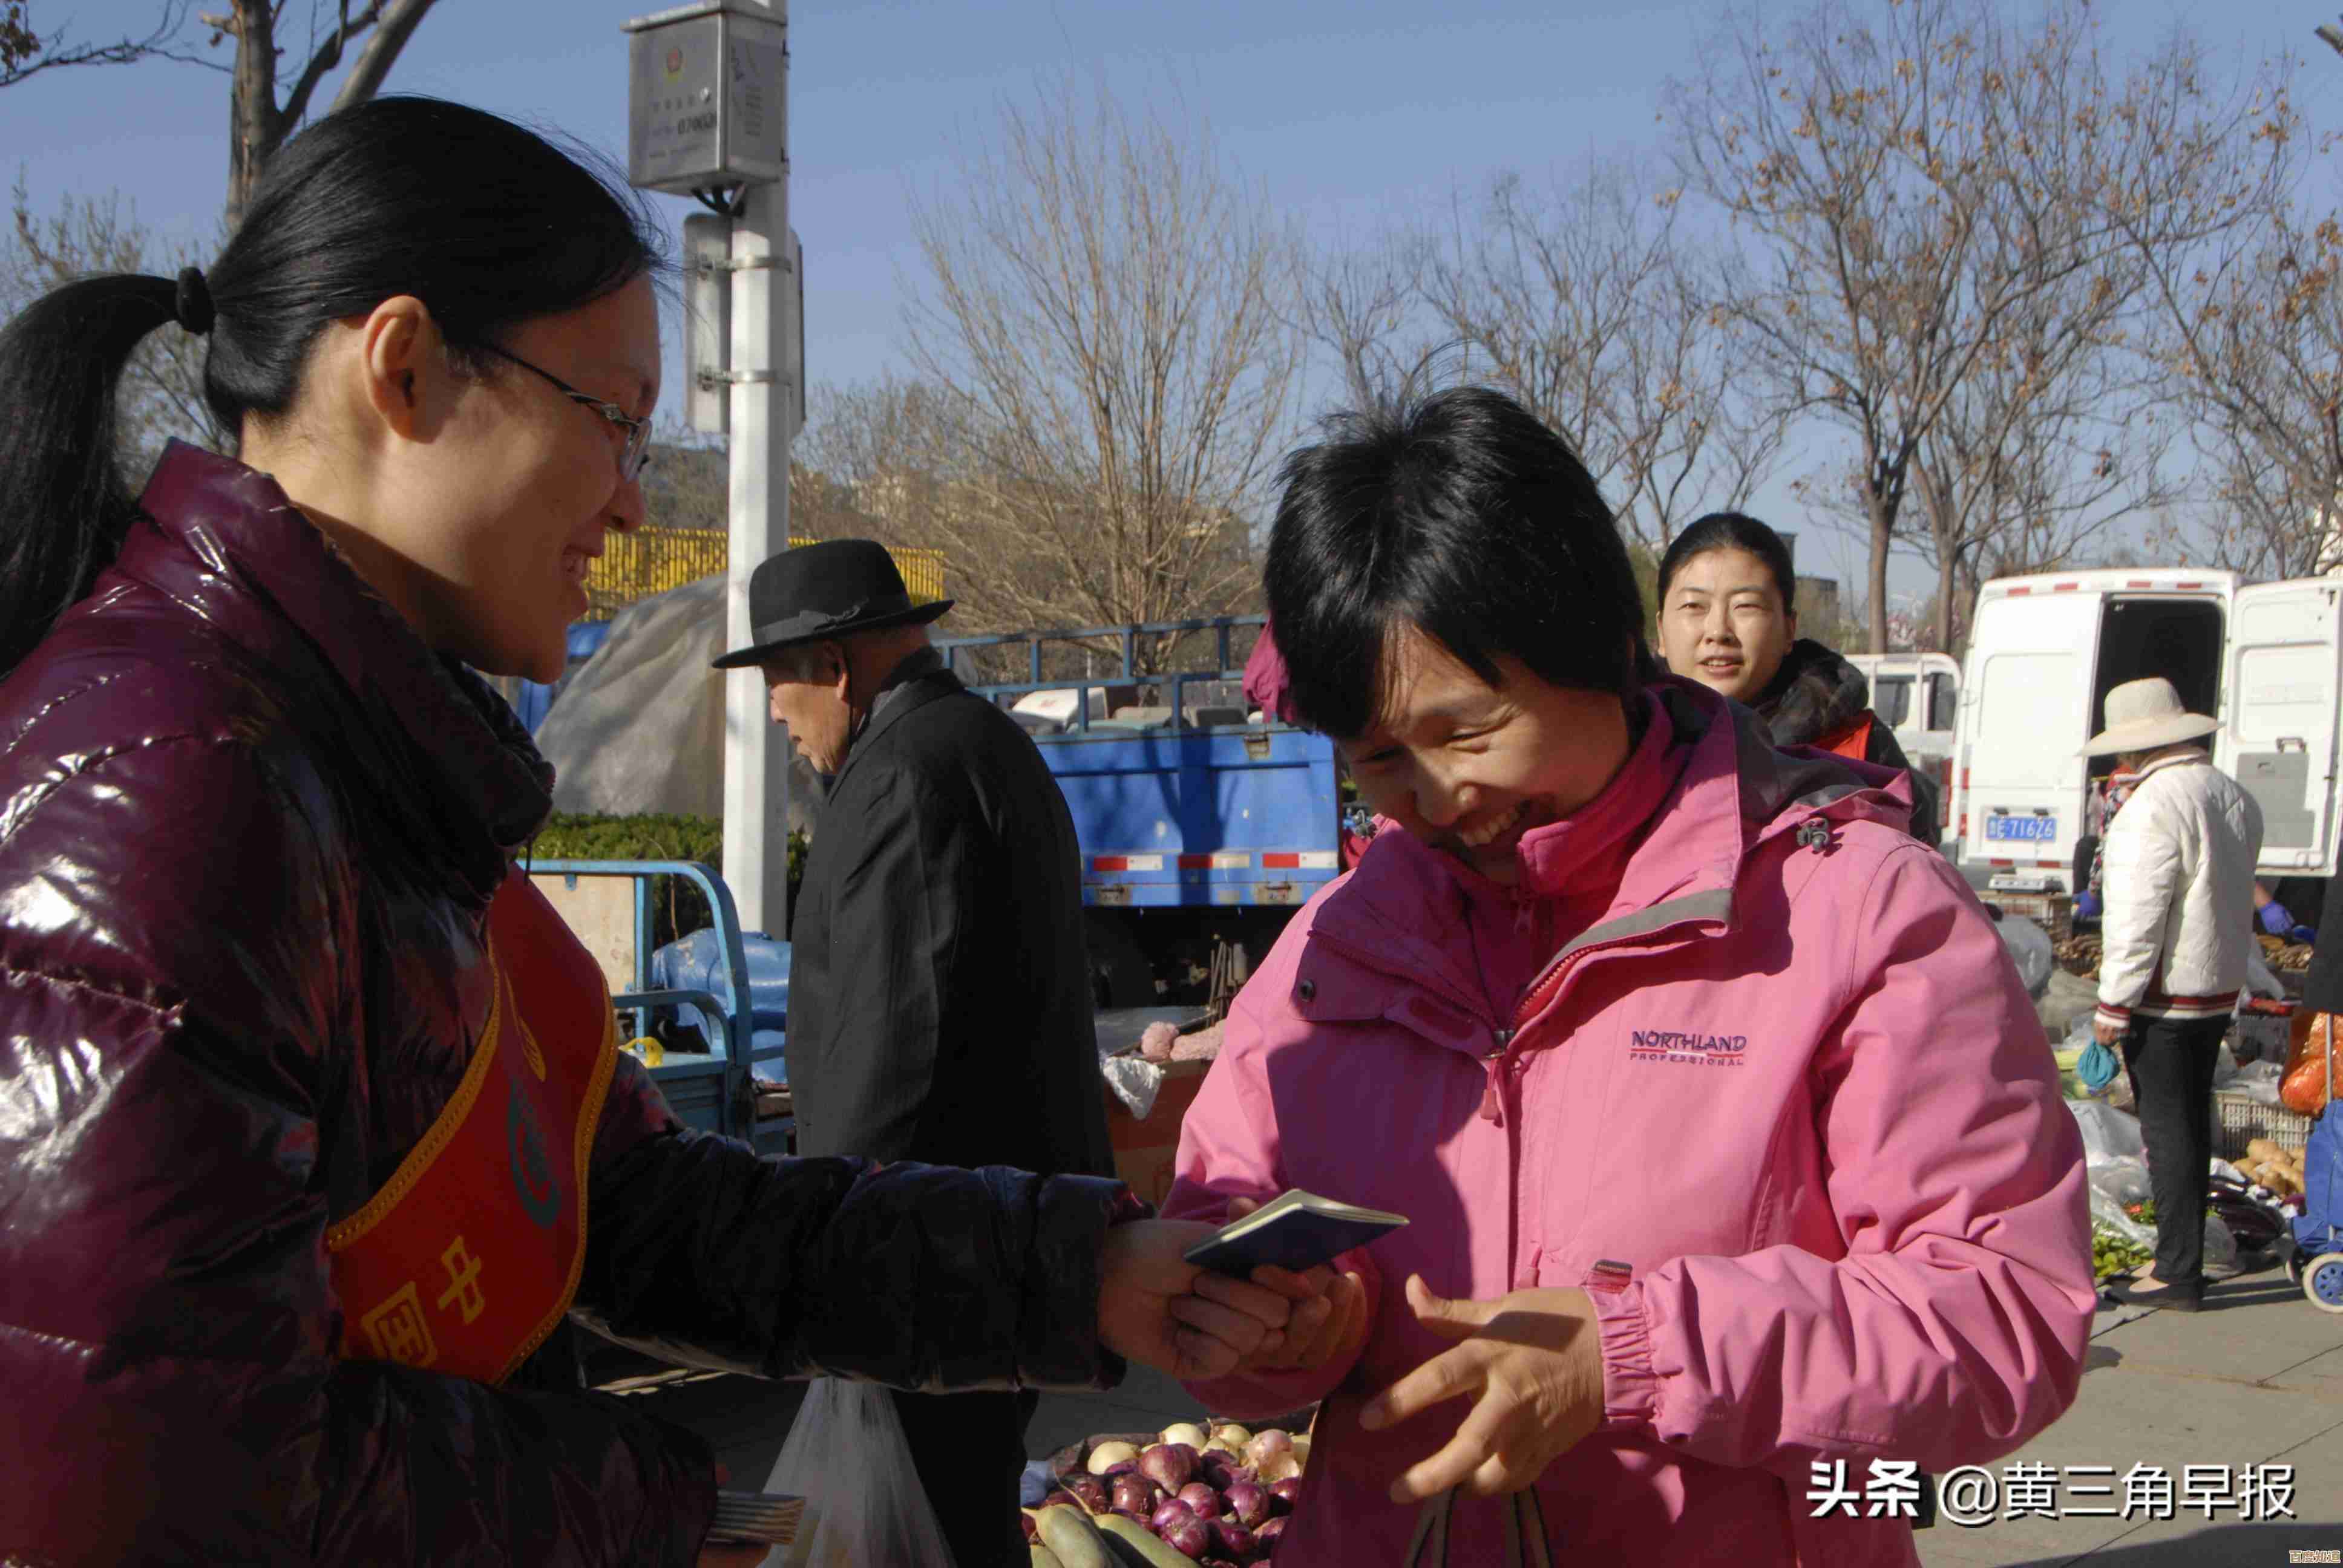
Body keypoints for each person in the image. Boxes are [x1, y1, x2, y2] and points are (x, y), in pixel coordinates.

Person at [0, 97, 1318, 1568]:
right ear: (406, 370)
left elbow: (634, 1209)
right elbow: (157, 1474)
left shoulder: (355, 773)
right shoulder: (175, 785)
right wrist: (656, 1504)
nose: (632, 502)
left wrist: (1083, 1271)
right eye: (616, 421)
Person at [1162, 387, 2096, 1564]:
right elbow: (1217, 1227)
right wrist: (1283, 1325)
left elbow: (2004, 1308)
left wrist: (1636, 1355)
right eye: (1381, 760)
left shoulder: (1854, 915)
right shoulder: (1335, 947)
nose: (1436, 798)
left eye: (1466, 733)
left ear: (1598, 650)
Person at [714, 538, 1118, 1568]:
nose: (775, 714)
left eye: (777, 683)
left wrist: (829, 1259)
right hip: (1002, 1244)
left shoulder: (906, 774)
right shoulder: (976, 742)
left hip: (936, 1265)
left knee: (940, 1524)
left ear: (834, 667)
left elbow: (894, 1049)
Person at [2088, 678, 2264, 1311]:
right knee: (2190, 1126)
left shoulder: (2150, 807)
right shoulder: (2232, 794)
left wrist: (2112, 1006)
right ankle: (2179, 1261)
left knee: (2168, 1135)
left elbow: (2136, 920)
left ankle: (2176, 1271)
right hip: (2215, 989)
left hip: (2164, 997)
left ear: (2134, 747)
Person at [1653, 511, 1941, 844]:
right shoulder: (1625, 750)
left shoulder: (1859, 750)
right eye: (1694, 606)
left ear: (1789, 629)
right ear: (1661, 631)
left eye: (1746, 606)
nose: (1718, 631)